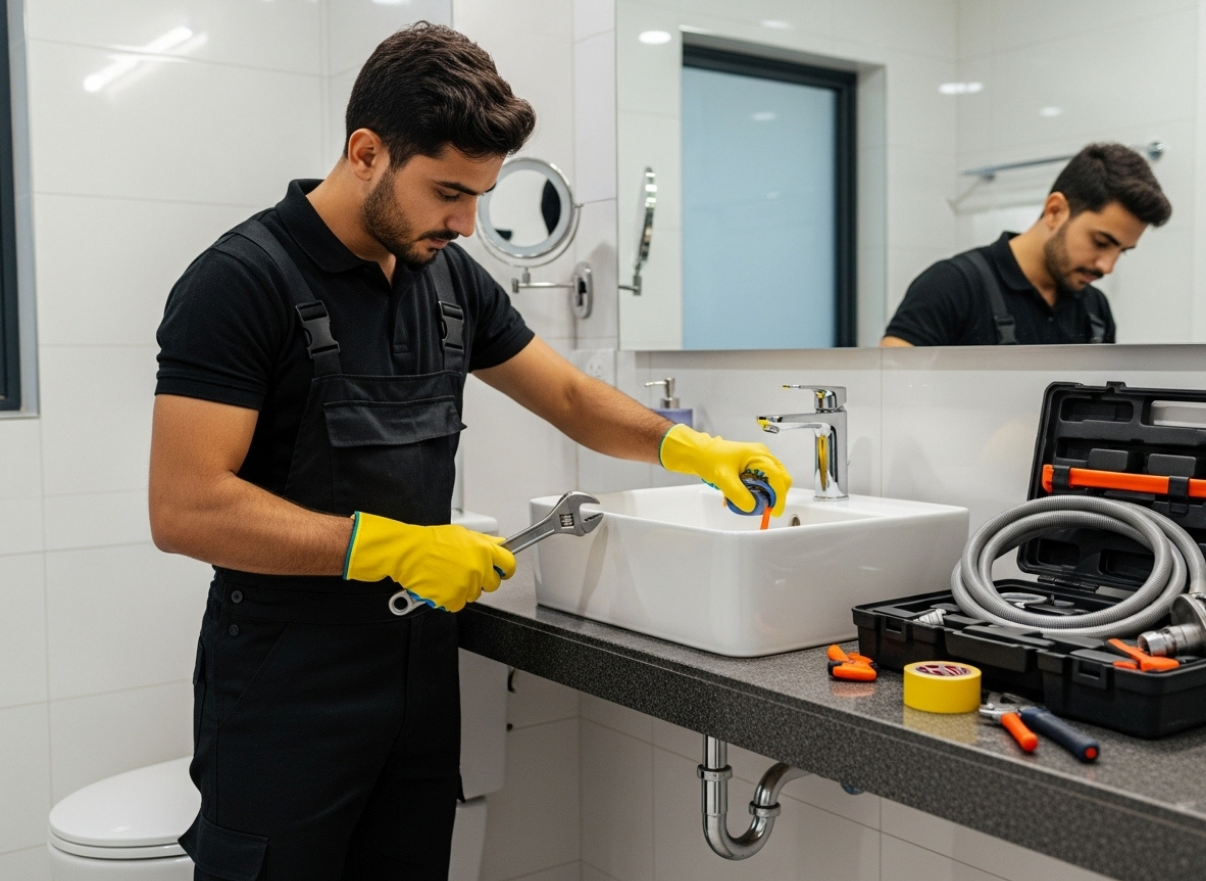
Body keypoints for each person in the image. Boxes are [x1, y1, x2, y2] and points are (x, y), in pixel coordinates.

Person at [149, 23, 791, 881]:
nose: (467, 222)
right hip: (283, 682)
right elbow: (185, 505)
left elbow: (563, 394)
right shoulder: (241, 281)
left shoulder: (446, 278)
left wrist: (687, 446)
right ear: (366, 151)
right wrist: (392, 544)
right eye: (449, 191)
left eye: (481, 194)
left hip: (417, 675)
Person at [881, 142, 1172, 347]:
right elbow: (889, 400)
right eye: (1100, 242)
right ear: (1056, 210)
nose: (1107, 267)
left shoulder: (1095, 309)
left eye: (1121, 251)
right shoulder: (950, 285)